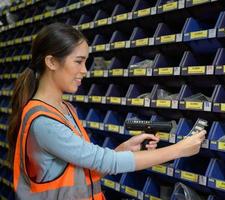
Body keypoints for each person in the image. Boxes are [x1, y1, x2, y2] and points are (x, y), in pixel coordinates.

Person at [7, 23, 206, 200]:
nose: (85, 70)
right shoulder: (43, 122)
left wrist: (124, 149)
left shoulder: (64, 109)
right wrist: (179, 150)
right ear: (51, 62)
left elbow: (84, 169)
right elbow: (106, 162)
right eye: (78, 61)